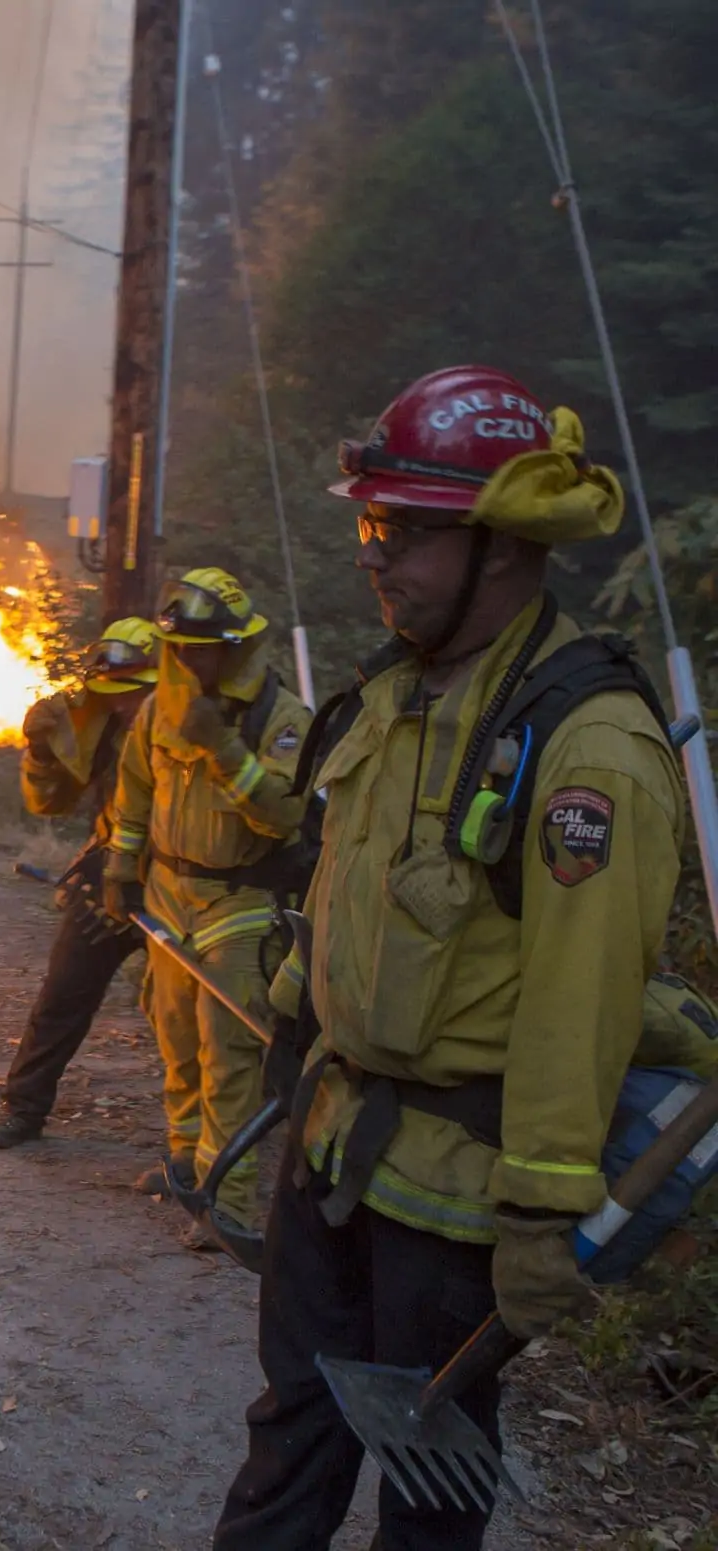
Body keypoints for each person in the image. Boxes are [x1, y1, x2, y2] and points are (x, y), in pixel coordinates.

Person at [213, 366, 686, 1550]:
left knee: (426, 1494)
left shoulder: (589, 748)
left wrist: (542, 1216)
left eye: (406, 533)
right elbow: (341, 888)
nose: (374, 556)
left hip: (458, 1205)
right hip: (334, 1151)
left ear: (509, 549)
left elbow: (580, 1007)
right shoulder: (395, 695)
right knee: (291, 1440)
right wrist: (287, 1036)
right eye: (371, 524)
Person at [100, 566, 312, 1247]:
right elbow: (133, 786)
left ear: (236, 645)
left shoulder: (281, 719)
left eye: (201, 648)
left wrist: (222, 745)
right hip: (167, 892)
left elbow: (285, 815)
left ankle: (231, 1203)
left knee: (230, 1055)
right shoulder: (164, 706)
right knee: (174, 1035)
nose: (187, 661)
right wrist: (118, 864)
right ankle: (188, 1163)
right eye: (178, 649)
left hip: (239, 899)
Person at [0, 618, 161, 1148]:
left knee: (189, 1018)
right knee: (62, 996)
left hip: (180, 884)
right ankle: (22, 1110)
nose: (123, 703)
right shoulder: (103, 725)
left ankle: (207, 1142)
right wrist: (39, 752)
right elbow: (51, 802)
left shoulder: (192, 723)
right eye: (114, 692)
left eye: (135, 691)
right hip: (107, 880)